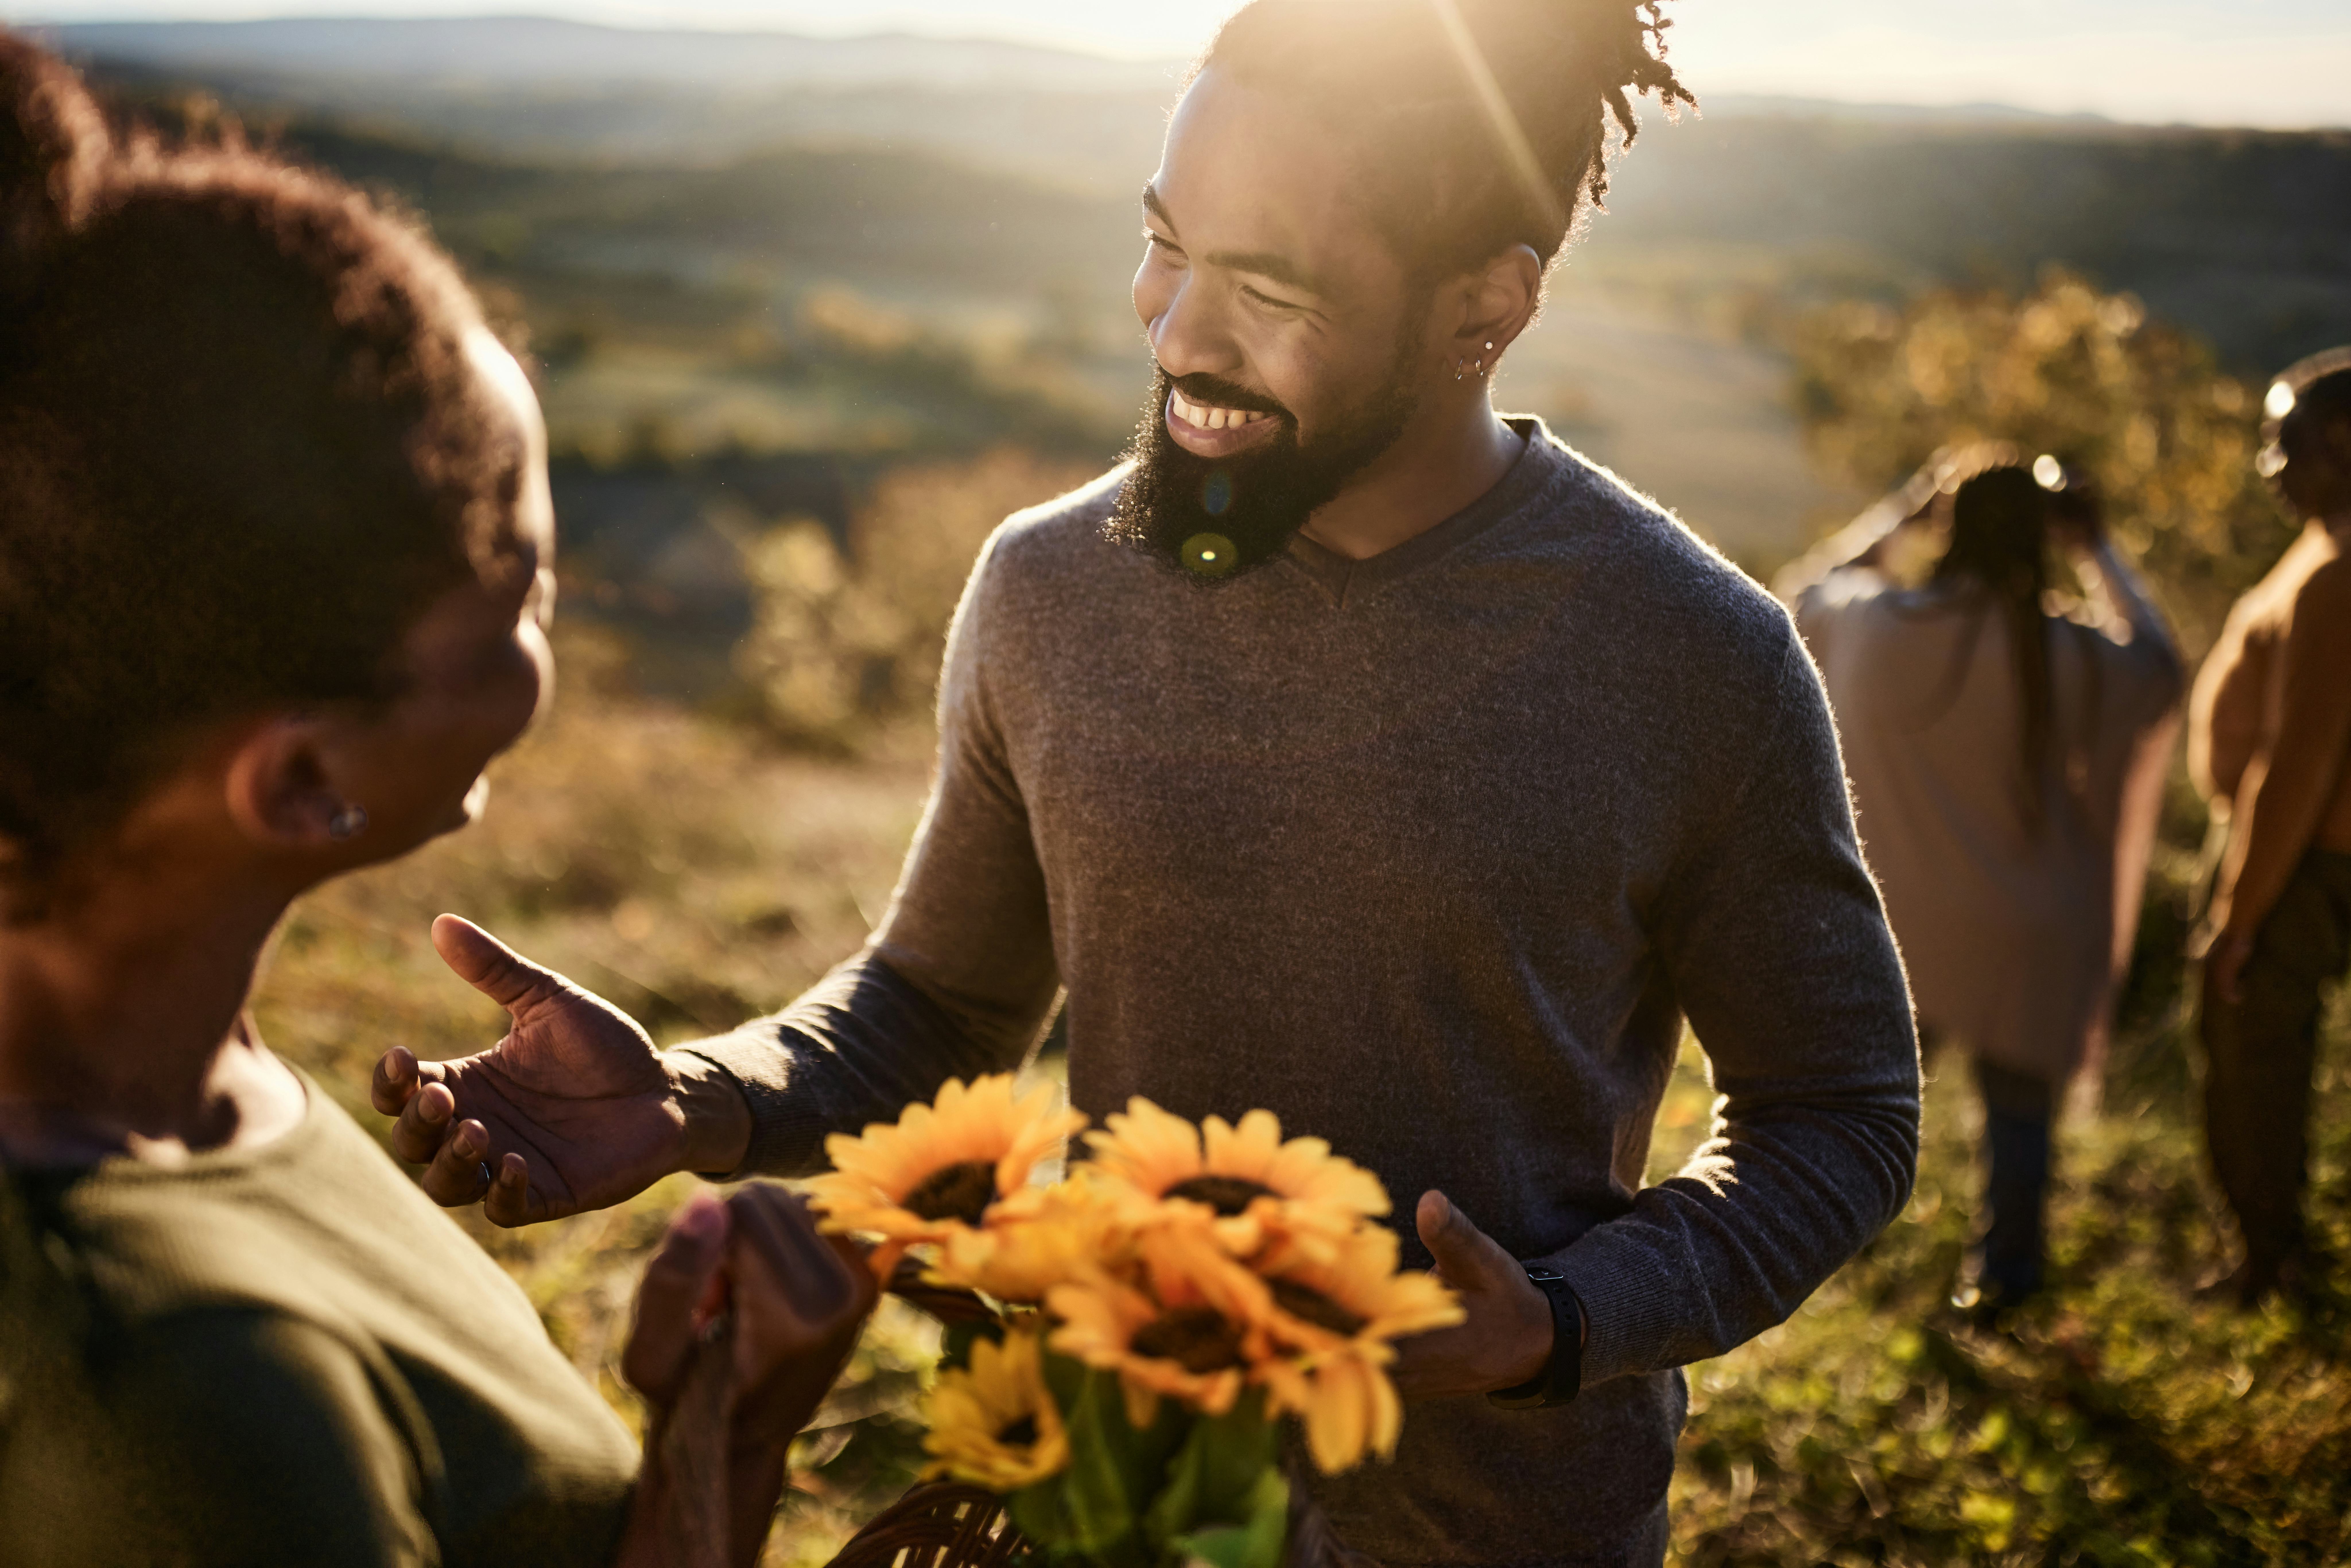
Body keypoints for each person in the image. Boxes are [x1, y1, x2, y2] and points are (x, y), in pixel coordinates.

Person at [377, 2, 1922, 1561]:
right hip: (1129, 1508)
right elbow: (936, 1007)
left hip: (1505, 1526)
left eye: (1270, 289)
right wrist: (692, 1097)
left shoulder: (1695, 654)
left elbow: (1837, 1112)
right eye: (1167, 244)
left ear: (1485, 310)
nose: (1181, 330)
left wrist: (1567, 1321)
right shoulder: (1050, 589)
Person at [0, 38, 874, 1568]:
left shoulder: (185, 1071)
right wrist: (721, 1437)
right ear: (300, 779)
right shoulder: (188, 1384)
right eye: (523, 596)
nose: (555, 645)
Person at [1780, 450, 2183, 1317]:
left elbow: (1801, 591)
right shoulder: (2068, 650)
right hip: (2030, 927)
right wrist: (2096, 550)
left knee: (1863, 1107)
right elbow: (2158, 668)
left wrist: (1903, 511)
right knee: (2019, 1120)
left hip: (1905, 923)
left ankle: (1831, 1255)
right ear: (2045, 535)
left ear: (1948, 528)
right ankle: (2006, 1282)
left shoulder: (1879, 625)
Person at [2188, 348, 2351, 1306]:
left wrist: (2240, 918)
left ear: (2342, 443)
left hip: (2297, 863)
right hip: (2292, 855)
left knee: (2255, 1051)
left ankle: (2268, 1260)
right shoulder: (2322, 548)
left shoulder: (2339, 573)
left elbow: (2301, 762)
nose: (2269, 463)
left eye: (2284, 440)